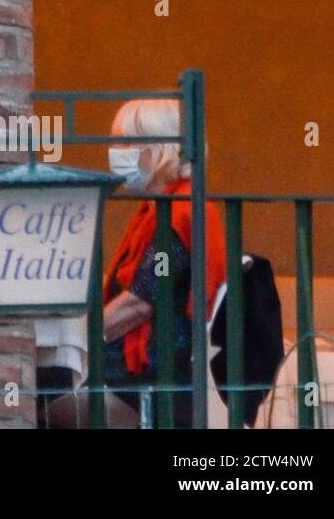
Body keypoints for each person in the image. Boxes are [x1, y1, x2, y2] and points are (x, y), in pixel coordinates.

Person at [101, 98, 225, 429]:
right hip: (137, 376)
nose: (117, 153)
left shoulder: (179, 215)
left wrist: (80, 340)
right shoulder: (156, 211)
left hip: (150, 383)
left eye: (127, 142)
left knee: (37, 392)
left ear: (161, 149)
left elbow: (141, 301)